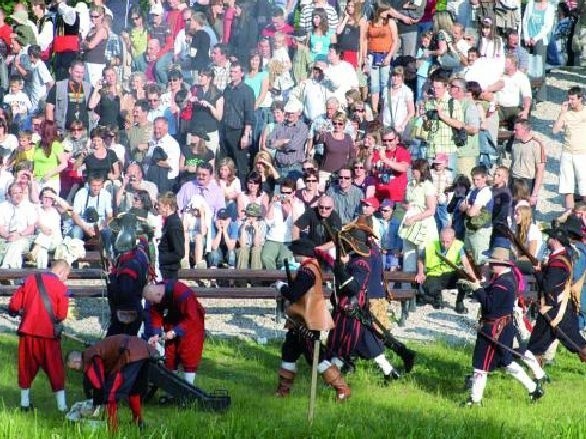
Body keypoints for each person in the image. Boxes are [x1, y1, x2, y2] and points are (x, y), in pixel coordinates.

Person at [464, 247, 544, 406]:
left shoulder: (503, 283)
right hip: (503, 327)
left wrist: (477, 288)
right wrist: (477, 285)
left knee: (481, 365)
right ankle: (533, 388)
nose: (491, 264)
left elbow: (489, 305)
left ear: (503, 264)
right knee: (506, 362)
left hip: (495, 329)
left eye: (494, 262)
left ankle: (474, 400)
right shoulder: (505, 278)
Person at [274, 238, 350, 400]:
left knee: (317, 358)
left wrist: (282, 287)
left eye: (295, 252)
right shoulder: (310, 268)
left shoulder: (307, 271)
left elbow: (294, 294)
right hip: (299, 321)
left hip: (307, 322)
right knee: (288, 352)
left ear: (300, 254)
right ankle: (283, 390)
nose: (293, 254)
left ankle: (342, 389)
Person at [327, 221, 400, 383]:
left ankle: (333, 375)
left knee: (345, 341)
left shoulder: (361, 262)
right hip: (348, 307)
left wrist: (341, 269)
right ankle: (336, 372)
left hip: (352, 307)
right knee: (352, 342)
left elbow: (353, 287)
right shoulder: (356, 258)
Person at [522, 226, 586, 382]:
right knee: (536, 346)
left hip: (556, 311)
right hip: (554, 310)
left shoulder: (559, 262)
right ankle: (538, 378)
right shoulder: (560, 258)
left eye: (550, 238)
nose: (547, 240)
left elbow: (549, 287)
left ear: (556, 241)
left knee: (577, 345)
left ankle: (537, 378)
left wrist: (538, 272)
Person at [8, 260, 71, 412]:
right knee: (55, 369)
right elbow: (61, 315)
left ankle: (24, 404)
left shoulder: (30, 280)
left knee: (26, 368)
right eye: (66, 276)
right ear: (61, 272)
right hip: (49, 335)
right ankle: (62, 407)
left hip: (28, 332)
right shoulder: (61, 287)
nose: (66, 279)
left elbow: (14, 305)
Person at [66, 335, 156, 431]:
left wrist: (97, 403)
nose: (75, 370)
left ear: (76, 361)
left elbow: (98, 383)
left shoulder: (89, 357)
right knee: (134, 391)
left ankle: (112, 430)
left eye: (73, 368)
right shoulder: (93, 351)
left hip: (129, 353)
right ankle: (139, 423)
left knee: (110, 394)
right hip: (142, 350)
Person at [143, 281, 206, 386]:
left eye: (153, 301)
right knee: (170, 353)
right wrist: (156, 334)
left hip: (192, 323)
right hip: (174, 319)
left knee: (190, 352)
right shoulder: (158, 292)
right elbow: (156, 312)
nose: (152, 304)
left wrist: (175, 332)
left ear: (158, 294)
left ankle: (188, 388)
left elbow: (192, 318)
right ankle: (172, 387)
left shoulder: (184, 294)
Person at [416, 227, 477, 313]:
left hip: (452, 274)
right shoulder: (431, 245)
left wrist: (472, 276)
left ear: (454, 239)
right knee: (429, 289)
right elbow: (420, 259)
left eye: (448, 242)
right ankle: (437, 297)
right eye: (442, 241)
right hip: (435, 274)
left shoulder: (459, 245)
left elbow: (465, 263)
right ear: (439, 238)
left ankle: (459, 301)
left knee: (466, 283)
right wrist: (421, 273)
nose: (444, 244)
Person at [553, 86, 586, 213]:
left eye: (572, 99)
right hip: (567, 152)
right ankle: (569, 212)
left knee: (584, 184)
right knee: (567, 185)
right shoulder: (566, 113)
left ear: (580, 99)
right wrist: (562, 112)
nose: (570, 101)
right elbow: (555, 130)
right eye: (568, 99)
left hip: (582, 153)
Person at [45, 59, 91, 132]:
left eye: (82, 72)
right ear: (70, 70)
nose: (80, 75)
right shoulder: (58, 87)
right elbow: (49, 107)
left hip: (84, 132)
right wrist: (50, 128)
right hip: (64, 131)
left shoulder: (89, 87)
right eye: (77, 72)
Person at [157, 191, 185, 280]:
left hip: (169, 272)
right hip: (165, 269)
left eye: (160, 205)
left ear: (167, 206)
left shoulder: (174, 224)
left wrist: (158, 258)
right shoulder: (169, 221)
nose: (158, 208)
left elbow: (179, 253)